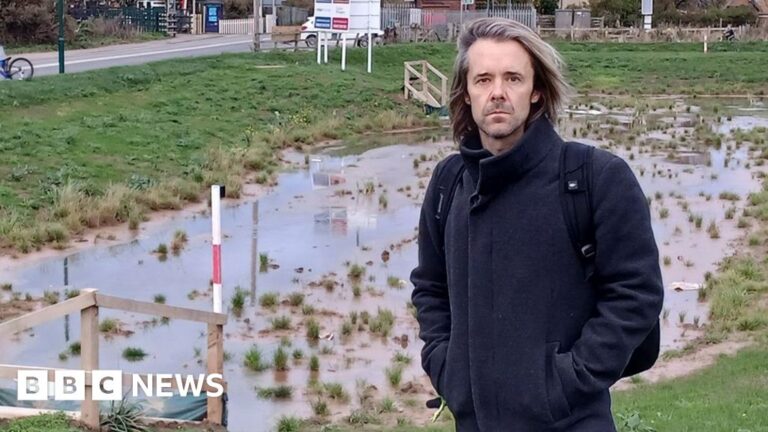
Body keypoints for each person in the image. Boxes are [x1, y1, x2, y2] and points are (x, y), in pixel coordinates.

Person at [410, 17, 664, 431]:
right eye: (483, 79)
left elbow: (636, 295)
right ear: (466, 93)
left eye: (513, 78)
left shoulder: (596, 177)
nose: (497, 92)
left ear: (536, 91)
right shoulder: (447, 182)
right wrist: (445, 366)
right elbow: (430, 286)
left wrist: (565, 383)